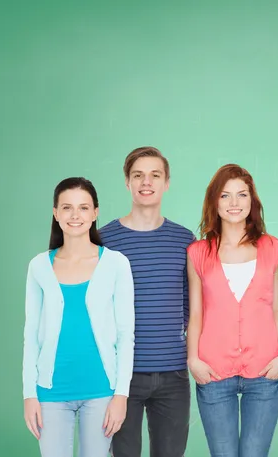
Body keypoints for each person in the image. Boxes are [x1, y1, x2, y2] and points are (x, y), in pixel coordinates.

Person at [23, 177, 135, 457]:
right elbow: (31, 335)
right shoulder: (39, 266)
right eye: (67, 208)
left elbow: (126, 335)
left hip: (100, 391)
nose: (75, 216)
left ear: (95, 213)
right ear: (55, 213)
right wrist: (29, 395)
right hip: (50, 392)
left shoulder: (116, 263)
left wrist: (121, 395)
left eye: (84, 208)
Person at [186, 164, 278, 457]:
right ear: (214, 202)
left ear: (252, 201)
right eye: (225, 196)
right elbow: (196, 314)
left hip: (264, 369)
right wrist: (193, 359)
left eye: (241, 195)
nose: (234, 203)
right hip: (213, 371)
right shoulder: (198, 252)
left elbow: (274, 308)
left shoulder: (272, 248)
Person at [100, 147, 195, 457]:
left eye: (155, 175)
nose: (146, 182)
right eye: (138, 175)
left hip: (174, 376)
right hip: (120, 379)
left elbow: (190, 307)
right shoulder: (103, 241)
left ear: (166, 183)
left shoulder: (184, 239)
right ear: (127, 182)